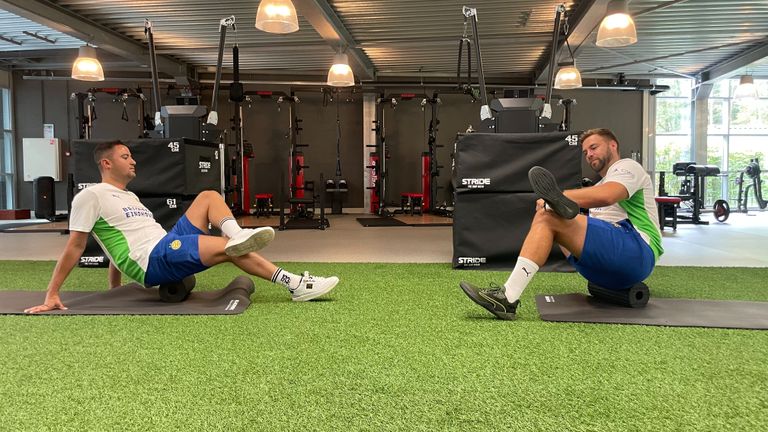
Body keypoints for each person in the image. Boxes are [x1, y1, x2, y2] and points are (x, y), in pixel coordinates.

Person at [24, 141, 338, 313]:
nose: (133, 161)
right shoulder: (90, 196)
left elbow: (116, 245)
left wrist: (114, 292)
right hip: (154, 261)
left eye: (132, 156)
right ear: (106, 163)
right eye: (125, 156)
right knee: (229, 251)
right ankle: (296, 284)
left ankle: (238, 233)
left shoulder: (128, 195)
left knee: (208, 196)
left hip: (165, 244)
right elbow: (77, 246)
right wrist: (52, 293)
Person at [460, 128, 663, 320]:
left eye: (594, 147)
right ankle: (508, 295)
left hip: (639, 253)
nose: (589, 154)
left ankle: (508, 297)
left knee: (549, 215)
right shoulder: (598, 184)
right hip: (604, 273)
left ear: (613, 146)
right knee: (548, 213)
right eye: (585, 152)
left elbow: (609, 195)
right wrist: (555, 205)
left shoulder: (627, 166)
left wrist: (561, 196)